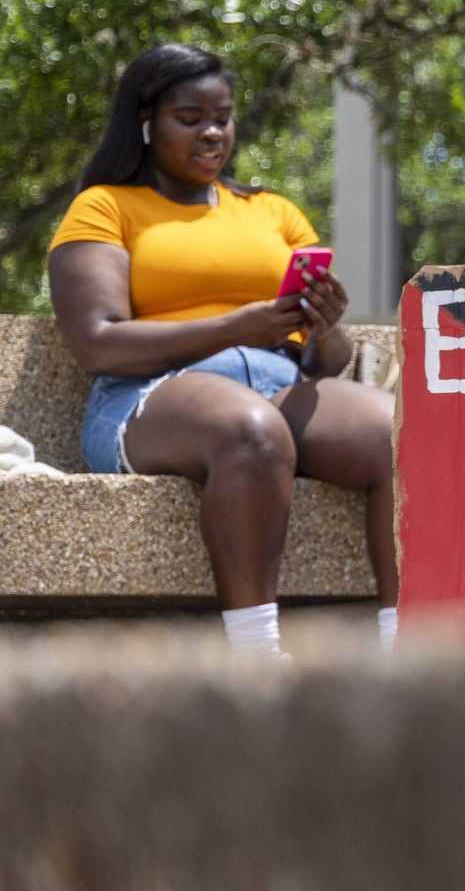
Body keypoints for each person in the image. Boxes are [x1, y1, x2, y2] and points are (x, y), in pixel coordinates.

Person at [47, 44, 397, 655]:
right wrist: (237, 327)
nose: (213, 133)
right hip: (149, 395)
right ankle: (257, 658)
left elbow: (326, 362)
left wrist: (324, 324)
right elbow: (99, 345)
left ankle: (404, 645)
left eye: (223, 117)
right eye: (191, 118)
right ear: (145, 121)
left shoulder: (273, 211)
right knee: (252, 432)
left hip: (277, 379)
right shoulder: (105, 207)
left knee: (399, 431)